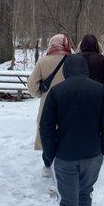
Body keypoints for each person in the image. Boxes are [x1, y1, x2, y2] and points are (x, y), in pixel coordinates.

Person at [40, 54, 104, 206]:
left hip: (65, 156)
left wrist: (50, 154)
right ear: (85, 69)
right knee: (85, 195)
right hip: (92, 154)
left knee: (67, 203)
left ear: (66, 70)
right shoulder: (99, 89)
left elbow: (46, 127)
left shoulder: (56, 91)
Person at [27, 33, 74, 177]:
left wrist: (40, 93)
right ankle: (64, 162)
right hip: (69, 105)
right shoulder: (72, 61)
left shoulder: (43, 62)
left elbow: (31, 87)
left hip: (47, 104)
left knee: (47, 132)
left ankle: (47, 164)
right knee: (65, 133)